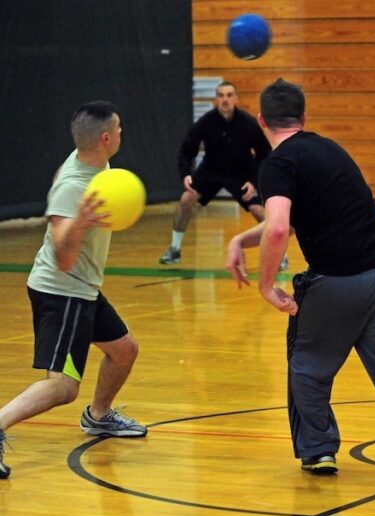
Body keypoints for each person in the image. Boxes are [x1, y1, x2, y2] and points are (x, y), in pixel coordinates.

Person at [224, 79, 375, 502]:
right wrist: (242, 241)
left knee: (307, 366)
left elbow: (280, 224)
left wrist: (266, 285)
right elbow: (293, 219)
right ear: (304, 117)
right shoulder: (330, 150)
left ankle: (319, 451)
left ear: (262, 119)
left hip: (336, 283)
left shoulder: (277, 164)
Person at [0, 101, 148, 480]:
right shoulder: (74, 187)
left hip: (84, 289)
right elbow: (63, 256)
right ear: (105, 138)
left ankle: (98, 416)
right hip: (62, 293)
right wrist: (78, 223)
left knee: (124, 350)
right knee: (63, 386)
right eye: (118, 130)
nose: (120, 135)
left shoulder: (92, 162)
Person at [159, 82, 286, 269]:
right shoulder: (206, 122)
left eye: (229, 95)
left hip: (241, 171)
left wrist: (253, 181)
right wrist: (186, 174)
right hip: (211, 170)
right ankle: (174, 249)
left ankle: (279, 254)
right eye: (221, 95)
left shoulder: (248, 123)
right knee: (186, 199)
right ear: (215, 100)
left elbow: (264, 153)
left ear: (235, 99)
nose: (225, 100)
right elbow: (186, 149)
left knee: (259, 211)